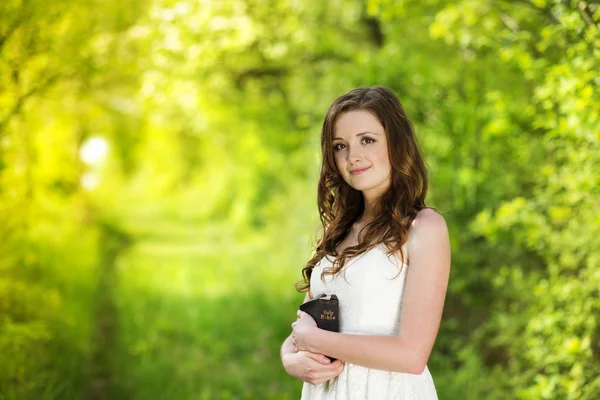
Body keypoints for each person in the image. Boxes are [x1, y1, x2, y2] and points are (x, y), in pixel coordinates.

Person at [279, 86, 451, 399]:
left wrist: (313, 341)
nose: (352, 156)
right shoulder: (341, 228)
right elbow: (303, 326)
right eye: (340, 146)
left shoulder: (423, 228)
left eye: (367, 140)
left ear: (397, 144)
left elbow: (411, 355)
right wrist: (290, 359)